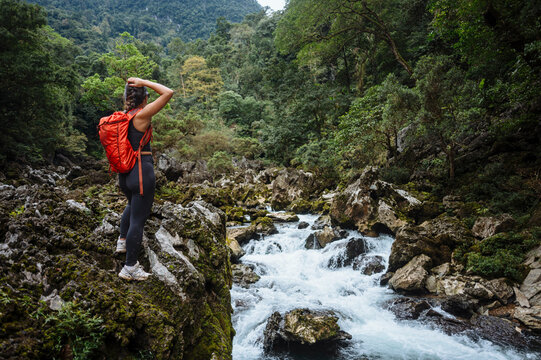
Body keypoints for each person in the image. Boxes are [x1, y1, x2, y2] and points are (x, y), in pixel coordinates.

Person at [116, 77, 174, 281]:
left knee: (132, 205)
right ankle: (130, 266)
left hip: (124, 174)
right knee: (138, 220)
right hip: (141, 171)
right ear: (144, 98)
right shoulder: (141, 115)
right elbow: (168, 92)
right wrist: (145, 82)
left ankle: (122, 241)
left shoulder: (123, 116)